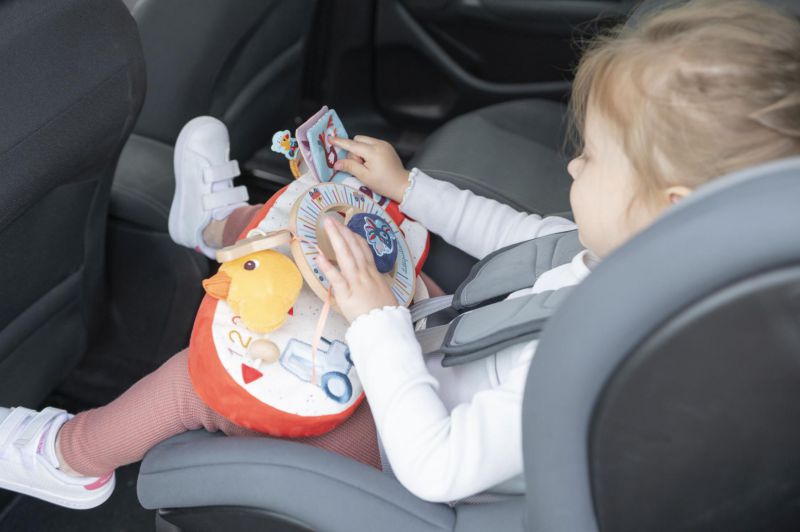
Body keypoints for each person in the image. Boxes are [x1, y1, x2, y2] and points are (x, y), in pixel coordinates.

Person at [1, 0, 799, 510]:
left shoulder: (592, 362)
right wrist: (409, 187)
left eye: (590, 158)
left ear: (671, 207)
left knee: (199, 383)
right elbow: (522, 237)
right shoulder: (630, 262)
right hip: (430, 341)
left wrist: (377, 321)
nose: (571, 168)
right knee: (332, 227)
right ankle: (216, 227)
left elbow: (438, 466)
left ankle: (71, 458)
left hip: (391, 431)